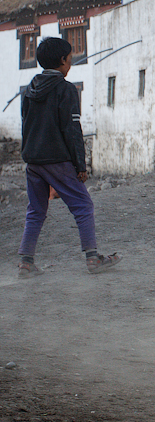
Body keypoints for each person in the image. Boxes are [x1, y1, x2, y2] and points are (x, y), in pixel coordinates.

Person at [16, 37, 121, 278]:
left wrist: (29, 155)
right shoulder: (65, 89)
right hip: (57, 159)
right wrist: (80, 165)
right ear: (63, 61)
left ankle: (26, 262)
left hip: (33, 161)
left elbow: (26, 126)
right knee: (83, 205)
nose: (71, 63)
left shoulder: (29, 90)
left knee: (36, 210)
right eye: (70, 59)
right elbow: (72, 130)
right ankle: (93, 258)